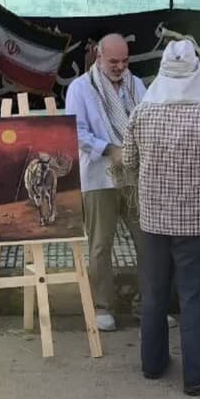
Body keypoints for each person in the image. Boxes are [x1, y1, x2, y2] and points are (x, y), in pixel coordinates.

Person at [122, 40, 200, 396]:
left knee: (154, 293)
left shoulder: (143, 112)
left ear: (162, 70)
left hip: (153, 219)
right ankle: (196, 376)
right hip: (195, 220)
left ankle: (152, 364)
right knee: (193, 296)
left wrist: (150, 181)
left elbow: (128, 160)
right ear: (196, 70)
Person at [65, 33, 147, 332]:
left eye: (124, 61)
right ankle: (102, 306)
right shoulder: (80, 88)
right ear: (99, 57)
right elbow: (76, 132)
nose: (120, 67)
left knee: (147, 240)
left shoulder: (137, 85)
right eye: (113, 61)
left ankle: (147, 304)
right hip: (98, 175)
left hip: (134, 173)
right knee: (101, 244)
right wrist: (110, 149)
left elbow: (149, 121)